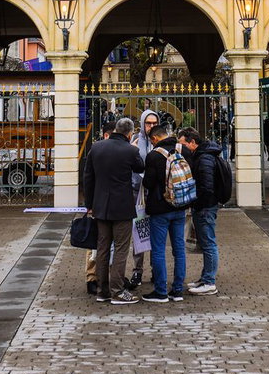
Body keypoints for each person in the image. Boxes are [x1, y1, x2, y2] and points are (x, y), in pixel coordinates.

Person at [81, 116, 144, 305]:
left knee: (102, 248)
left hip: (100, 206)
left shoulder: (97, 148)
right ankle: (117, 291)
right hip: (122, 208)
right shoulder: (130, 150)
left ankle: (102, 290)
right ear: (130, 133)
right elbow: (140, 167)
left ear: (115, 129)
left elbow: (88, 177)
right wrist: (134, 148)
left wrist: (89, 204)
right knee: (121, 250)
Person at [141, 122, 191, 303]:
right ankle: (177, 290)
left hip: (160, 209)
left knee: (159, 250)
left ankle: (161, 291)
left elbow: (147, 183)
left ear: (155, 138)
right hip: (180, 206)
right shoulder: (183, 150)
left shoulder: (154, 156)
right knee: (179, 249)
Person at [180, 127, 226, 296]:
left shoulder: (204, 158)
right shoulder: (203, 155)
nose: (182, 148)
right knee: (207, 243)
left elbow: (206, 186)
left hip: (205, 207)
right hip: (205, 206)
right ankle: (205, 278)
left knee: (209, 244)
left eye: (183, 144)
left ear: (192, 142)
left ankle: (209, 282)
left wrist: (197, 203)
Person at [128, 108, 161, 291]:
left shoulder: (161, 141)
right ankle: (137, 270)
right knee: (139, 232)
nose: (151, 126)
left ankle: (156, 269)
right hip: (137, 192)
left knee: (157, 232)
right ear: (142, 124)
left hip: (155, 194)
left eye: (154, 123)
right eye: (148, 123)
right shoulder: (135, 141)